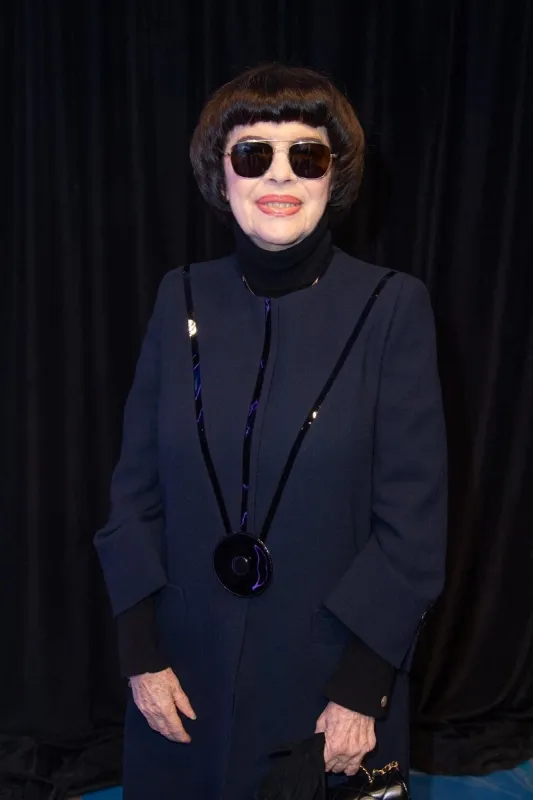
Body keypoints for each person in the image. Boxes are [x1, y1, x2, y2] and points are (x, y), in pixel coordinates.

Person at [94, 62, 447, 800]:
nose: (278, 176)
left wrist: (362, 686)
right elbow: (134, 491)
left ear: (333, 176)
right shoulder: (177, 296)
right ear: (219, 175)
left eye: (306, 155)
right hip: (180, 675)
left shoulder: (392, 306)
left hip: (327, 678)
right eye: (253, 154)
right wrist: (138, 652)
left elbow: (412, 523)